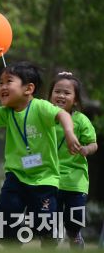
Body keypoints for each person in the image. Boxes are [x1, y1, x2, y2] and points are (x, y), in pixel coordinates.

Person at [0, 61, 81, 247]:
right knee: (4, 220)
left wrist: (69, 133)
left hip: (44, 179)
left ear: (28, 89)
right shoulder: (8, 112)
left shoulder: (41, 107)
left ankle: (50, 237)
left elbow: (63, 115)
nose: (2, 87)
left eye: (8, 81)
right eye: (0, 83)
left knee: (43, 224)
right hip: (16, 176)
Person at [48, 71, 98, 249]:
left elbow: (93, 144)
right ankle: (49, 238)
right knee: (47, 218)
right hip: (48, 178)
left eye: (67, 93)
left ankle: (74, 235)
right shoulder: (44, 117)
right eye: (57, 91)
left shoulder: (81, 120)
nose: (61, 95)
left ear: (75, 100)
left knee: (74, 220)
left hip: (75, 180)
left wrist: (86, 149)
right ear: (50, 95)